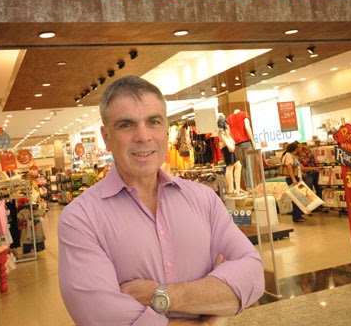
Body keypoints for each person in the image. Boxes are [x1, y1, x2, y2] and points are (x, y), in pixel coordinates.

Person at [58, 76, 265, 325]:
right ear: (106, 137)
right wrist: (208, 316)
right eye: (126, 125)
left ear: (165, 128)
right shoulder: (80, 219)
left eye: (153, 122)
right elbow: (102, 317)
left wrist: (161, 296)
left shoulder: (204, 199)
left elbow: (253, 277)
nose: (143, 136)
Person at [227, 109, 256, 191]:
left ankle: (248, 187)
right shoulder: (244, 114)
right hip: (246, 143)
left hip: (237, 145)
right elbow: (247, 127)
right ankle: (251, 187)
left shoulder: (229, 118)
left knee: (244, 166)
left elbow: (229, 133)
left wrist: (234, 140)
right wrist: (253, 140)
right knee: (250, 166)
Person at [217, 114, 242, 196]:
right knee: (230, 167)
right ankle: (231, 190)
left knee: (238, 165)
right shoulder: (221, 122)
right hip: (226, 147)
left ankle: (237, 189)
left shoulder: (223, 122)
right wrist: (228, 145)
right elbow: (221, 135)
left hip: (228, 145)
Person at [281, 141, 306, 223]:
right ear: (294, 149)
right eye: (298, 148)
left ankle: (298, 215)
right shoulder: (288, 156)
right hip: (292, 178)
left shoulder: (291, 156)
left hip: (296, 178)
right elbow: (289, 168)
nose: (299, 149)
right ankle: (296, 217)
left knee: (298, 197)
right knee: (296, 197)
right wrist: (294, 179)